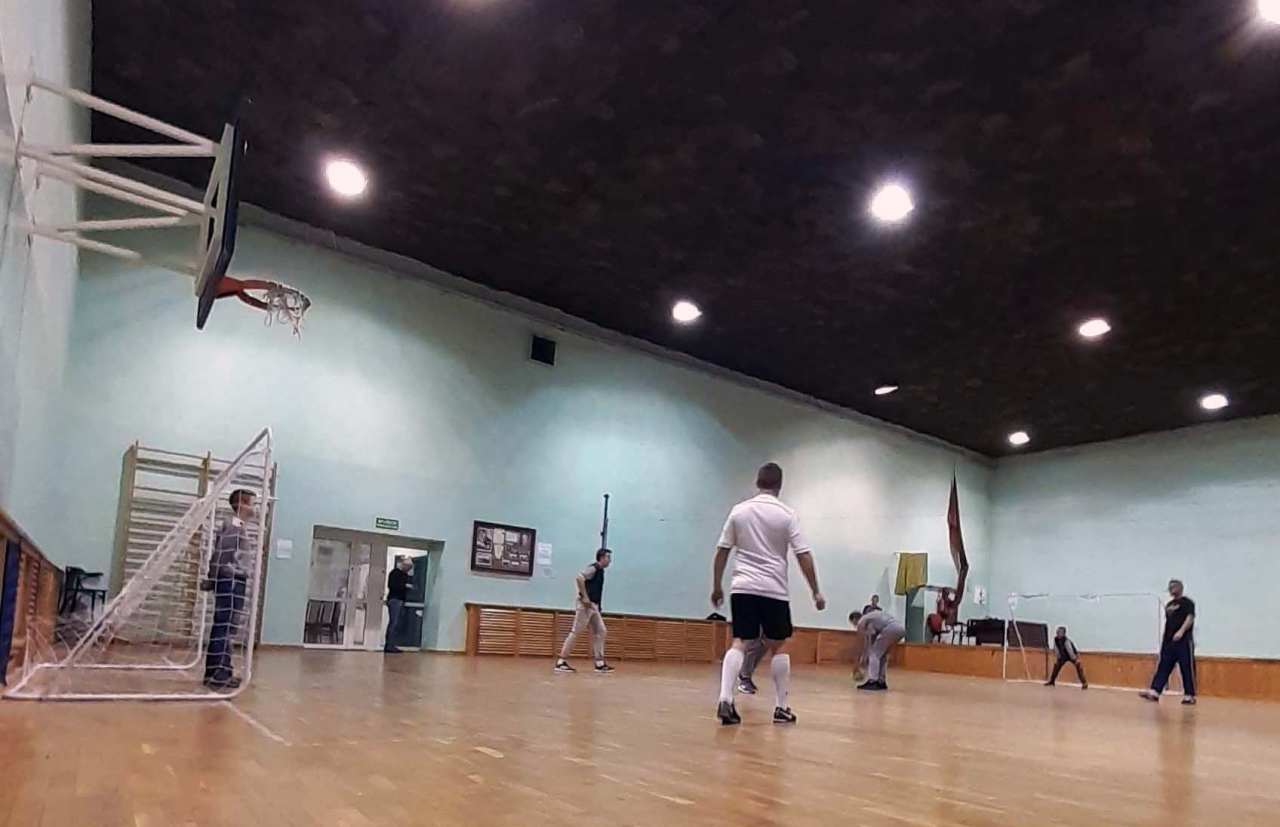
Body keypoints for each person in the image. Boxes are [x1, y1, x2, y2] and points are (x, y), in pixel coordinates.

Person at [712, 462, 825, 725]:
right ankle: (782, 708)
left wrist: (717, 585)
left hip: (743, 586)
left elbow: (722, 551)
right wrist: (815, 591)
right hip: (774, 589)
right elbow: (803, 555)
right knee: (779, 645)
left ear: (758, 482)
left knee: (740, 641)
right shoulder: (787, 515)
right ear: (780, 485)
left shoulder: (739, 511)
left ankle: (725, 699)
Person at [201, 488, 256, 691]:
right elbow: (222, 554)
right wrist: (213, 578)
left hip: (232, 579)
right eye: (252, 504)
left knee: (226, 628)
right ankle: (218, 674)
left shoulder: (238, 525)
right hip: (231, 579)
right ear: (241, 504)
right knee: (224, 627)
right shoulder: (234, 524)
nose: (254, 509)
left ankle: (221, 671)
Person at [554, 549, 614, 673]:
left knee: (601, 631)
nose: (610, 560)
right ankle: (561, 661)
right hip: (585, 605)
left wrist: (597, 606)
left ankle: (599, 663)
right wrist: (585, 597)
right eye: (608, 557)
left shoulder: (601, 571)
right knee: (576, 631)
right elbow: (579, 578)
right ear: (602, 558)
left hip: (594, 606)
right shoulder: (593, 568)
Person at [1140, 579, 1197, 705]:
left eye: (1173, 587)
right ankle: (1155, 691)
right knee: (1163, 666)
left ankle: (1190, 695)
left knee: (1186, 667)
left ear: (1180, 588)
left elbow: (1190, 618)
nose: (1171, 589)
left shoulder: (1188, 603)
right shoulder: (1169, 604)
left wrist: (1181, 631)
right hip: (1168, 642)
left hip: (1183, 641)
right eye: (1169, 587)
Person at [850, 608, 905, 691]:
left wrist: (856, 664)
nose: (855, 626)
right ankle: (881, 681)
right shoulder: (871, 618)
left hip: (890, 628)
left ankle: (873, 681)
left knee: (874, 654)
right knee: (882, 655)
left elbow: (860, 645)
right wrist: (864, 658)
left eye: (853, 623)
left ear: (854, 619)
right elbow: (871, 641)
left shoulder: (862, 621)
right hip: (900, 629)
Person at [384, 556, 414, 653]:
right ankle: (389, 645)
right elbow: (392, 585)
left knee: (396, 623)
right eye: (408, 567)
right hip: (395, 600)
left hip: (399, 600)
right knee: (394, 623)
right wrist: (405, 585)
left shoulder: (404, 575)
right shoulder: (395, 573)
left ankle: (391, 644)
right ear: (404, 565)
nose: (409, 570)